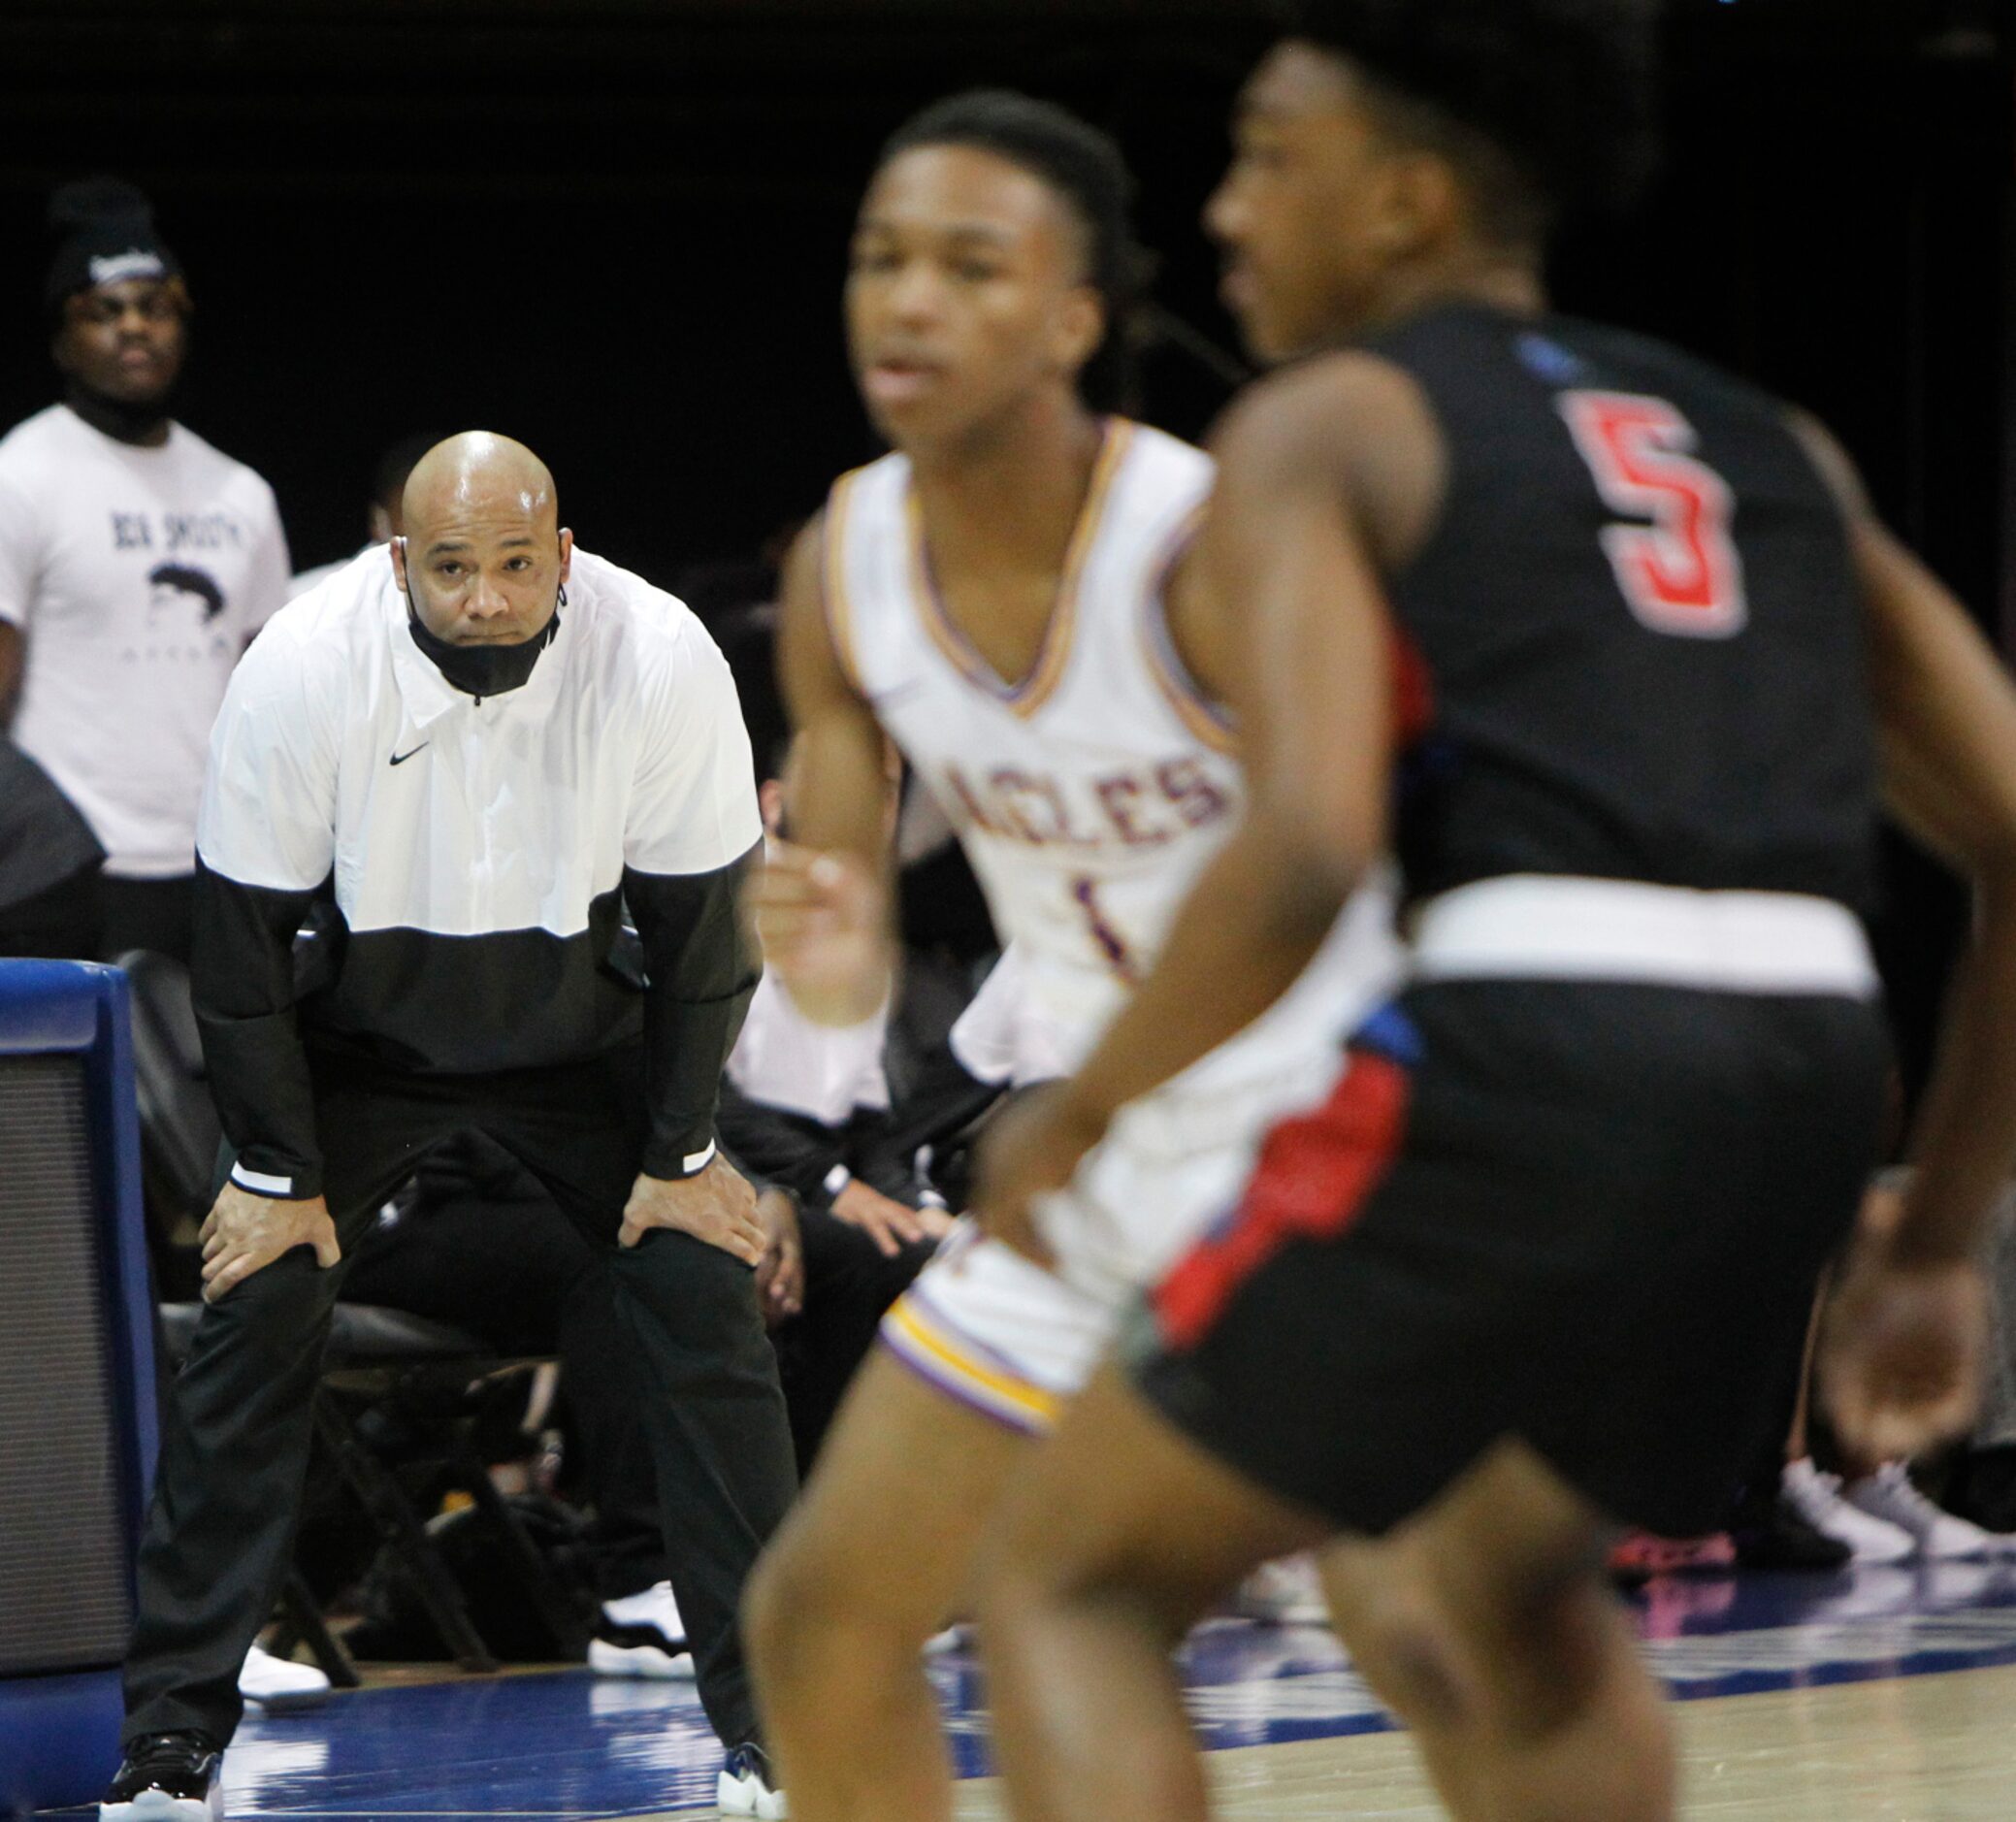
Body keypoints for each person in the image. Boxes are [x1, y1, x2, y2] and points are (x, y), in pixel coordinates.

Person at [965, 7, 2016, 1820]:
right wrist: (1929, 1232)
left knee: (1065, 1579)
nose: (1219, 212)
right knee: (1487, 1591)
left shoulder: (1327, 422)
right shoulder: (1764, 439)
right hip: (1793, 1080)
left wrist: (1075, 1104)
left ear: (1406, 201)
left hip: (1532, 1048)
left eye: (1268, 155)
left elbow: (1301, 841)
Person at [740, 90, 1394, 1821]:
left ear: (1075, 317)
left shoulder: (1202, 535)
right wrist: (816, 938)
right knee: (819, 1617)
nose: (908, 302)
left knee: (1393, 1623)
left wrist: (1090, 1101)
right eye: (882, 258)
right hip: (1091, 1156)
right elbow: (838, 937)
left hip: (1315, 1132)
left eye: (969, 266)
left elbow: (1331, 851)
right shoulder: (841, 566)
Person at [102, 434, 793, 1822]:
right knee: (256, 1304)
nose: (486, 596)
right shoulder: (301, 665)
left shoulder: (659, 657)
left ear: (566, 553)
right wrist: (269, 1175)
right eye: (455, 567)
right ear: (399, 559)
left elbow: (706, 943)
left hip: (584, 1044)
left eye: (516, 564)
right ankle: (170, 1741)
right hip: (364, 1045)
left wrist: (681, 1156)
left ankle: (778, 1733)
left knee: (704, 1293)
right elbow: (236, 958)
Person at [0, 179, 290, 963]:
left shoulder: (241, 492)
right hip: (73, 872)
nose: (134, 327)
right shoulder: (21, 474)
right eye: (105, 309)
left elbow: (273, 689)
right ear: (62, 338)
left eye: (154, 307)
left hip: (220, 860)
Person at [287, 433, 436, 601]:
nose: (434, 530)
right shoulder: (306, 604)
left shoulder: (467, 603)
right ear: (377, 521)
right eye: (411, 514)